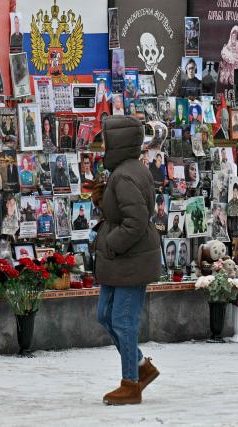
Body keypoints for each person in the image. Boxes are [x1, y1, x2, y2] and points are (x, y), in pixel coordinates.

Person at [94, 116, 161, 405]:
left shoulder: (124, 175)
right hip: (120, 259)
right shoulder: (125, 171)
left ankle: (130, 383)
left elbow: (136, 221)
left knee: (122, 321)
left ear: (119, 142)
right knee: (105, 315)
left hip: (129, 258)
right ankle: (141, 368)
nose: (103, 144)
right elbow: (127, 210)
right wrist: (103, 200)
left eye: (106, 139)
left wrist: (111, 243)